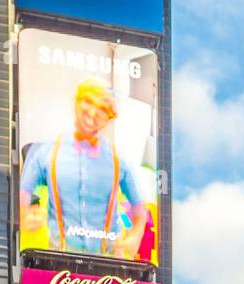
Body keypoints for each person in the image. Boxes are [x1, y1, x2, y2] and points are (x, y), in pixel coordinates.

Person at [19, 77, 151, 260]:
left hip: (108, 262)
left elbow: (139, 206)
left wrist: (135, 237)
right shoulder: (46, 151)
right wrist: (24, 214)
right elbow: (22, 192)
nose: (92, 112)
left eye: (103, 109)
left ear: (109, 118)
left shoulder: (119, 160)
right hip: (58, 260)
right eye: (88, 101)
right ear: (77, 102)